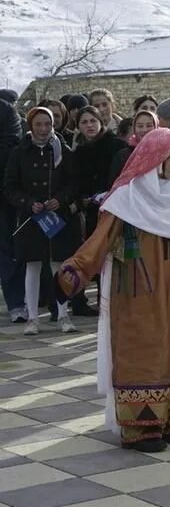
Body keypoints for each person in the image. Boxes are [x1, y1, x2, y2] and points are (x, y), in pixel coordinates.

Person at [56, 128, 170, 452]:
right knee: (142, 348)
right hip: (137, 289)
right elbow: (99, 242)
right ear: (156, 161)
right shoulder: (126, 199)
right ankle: (140, 428)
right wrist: (74, 271)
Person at [5, 107, 80, 335]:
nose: (44, 129)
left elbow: (75, 183)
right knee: (33, 266)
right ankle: (33, 319)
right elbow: (9, 186)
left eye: (47, 124)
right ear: (31, 125)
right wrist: (27, 202)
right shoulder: (19, 152)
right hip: (31, 217)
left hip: (57, 216)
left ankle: (63, 315)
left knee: (59, 265)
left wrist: (61, 199)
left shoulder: (62, 150)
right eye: (38, 124)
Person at [73, 106, 125, 237]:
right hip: (92, 212)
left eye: (93, 121)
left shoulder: (117, 146)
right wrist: (82, 199)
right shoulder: (79, 153)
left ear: (100, 122)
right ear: (78, 126)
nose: (89, 125)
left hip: (116, 209)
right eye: (84, 122)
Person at [0, 99, 27, 322]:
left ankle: (17, 303)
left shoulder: (5, 111)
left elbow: (9, 147)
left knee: (7, 250)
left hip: (4, 197)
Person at [110, 110, 159, 186]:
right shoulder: (123, 155)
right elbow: (114, 183)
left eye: (149, 125)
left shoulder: (163, 153)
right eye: (140, 126)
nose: (144, 130)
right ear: (134, 129)